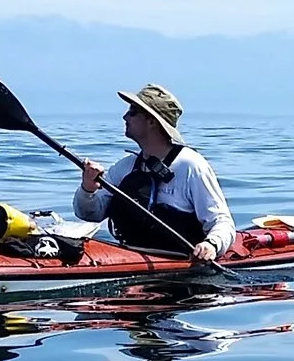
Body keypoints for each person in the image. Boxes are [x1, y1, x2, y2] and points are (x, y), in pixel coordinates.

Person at [75, 85, 237, 260]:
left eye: (133, 112)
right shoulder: (124, 168)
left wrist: (212, 244)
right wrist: (87, 189)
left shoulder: (191, 166)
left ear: (152, 121)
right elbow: (89, 214)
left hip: (184, 267)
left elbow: (222, 222)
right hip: (130, 259)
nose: (125, 117)